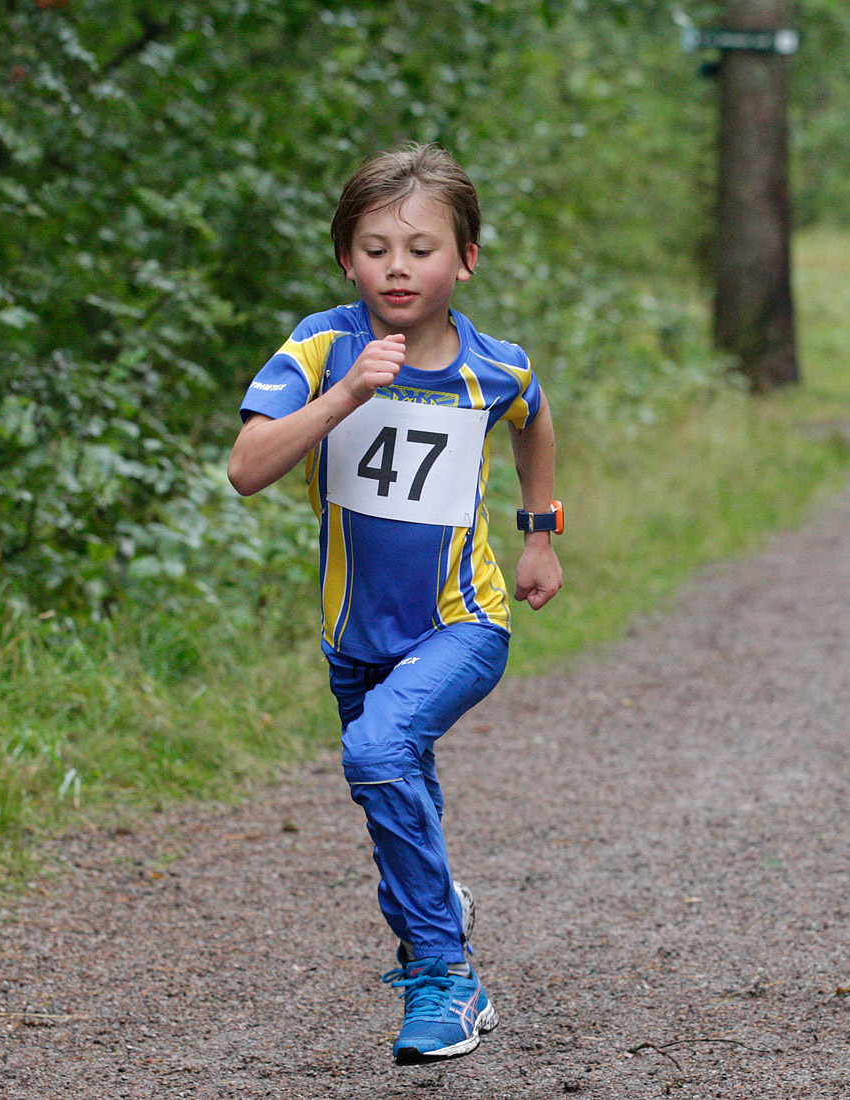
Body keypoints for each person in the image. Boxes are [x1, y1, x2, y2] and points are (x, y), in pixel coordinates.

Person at [228, 142, 563, 1064]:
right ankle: (434, 904)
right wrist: (345, 395)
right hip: (356, 638)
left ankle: (446, 978)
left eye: (421, 249)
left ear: (466, 259)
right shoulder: (322, 347)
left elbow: (534, 417)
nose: (397, 268)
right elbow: (247, 469)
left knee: (377, 752)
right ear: (347, 259)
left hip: (463, 623)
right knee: (395, 786)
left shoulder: (495, 367)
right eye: (375, 249)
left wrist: (539, 534)